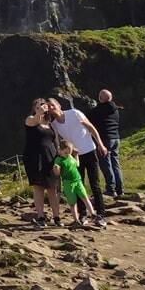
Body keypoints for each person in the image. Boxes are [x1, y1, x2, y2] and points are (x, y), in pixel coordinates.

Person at [48, 97, 108, 227]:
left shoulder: (74, 113)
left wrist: (101, 145)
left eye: (52, 105)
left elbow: (91, 128)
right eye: (49, 106)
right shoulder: (54, 125)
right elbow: (58, 143)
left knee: (95, 184)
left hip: (90, 151)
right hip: (73, 157)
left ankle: (100, 215)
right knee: (77, 185)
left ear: (58, 105)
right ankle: (83, 215)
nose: (51, 108)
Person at [23, 97, 62, 226]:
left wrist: (59, 158)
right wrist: (38, 113)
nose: (41, 107)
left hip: (50, 157)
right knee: (38, 187)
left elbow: (55, 142)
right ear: (34, 108)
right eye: (37, 106)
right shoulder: (30, 120)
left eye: (43, 105)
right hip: (34, 157)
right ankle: (40, 217)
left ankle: (57, 217)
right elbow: (33, 121)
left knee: (52, 188)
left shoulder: (50, 123)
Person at [53, 139, 97, 227]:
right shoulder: (59, 159)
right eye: (65, 153)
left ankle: (92, 213)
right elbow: (57, 173)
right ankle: (76, 220)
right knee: (73, 202)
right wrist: (56, 168)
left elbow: (77, 164)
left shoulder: (70, 156)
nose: (67, 154)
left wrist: (76, 155)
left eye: (69, 153)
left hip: (78, 181)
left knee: (85, 197)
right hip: (68, 183)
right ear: (60, 150)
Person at [88, 89, 123, 197]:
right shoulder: (115, 109)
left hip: (104, 140)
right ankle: (120, 189)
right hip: (116, 138)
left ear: (100, 98)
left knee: (106, 164)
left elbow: (89, 121)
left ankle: (111, 189)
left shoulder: (97, 110)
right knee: (115, 163)